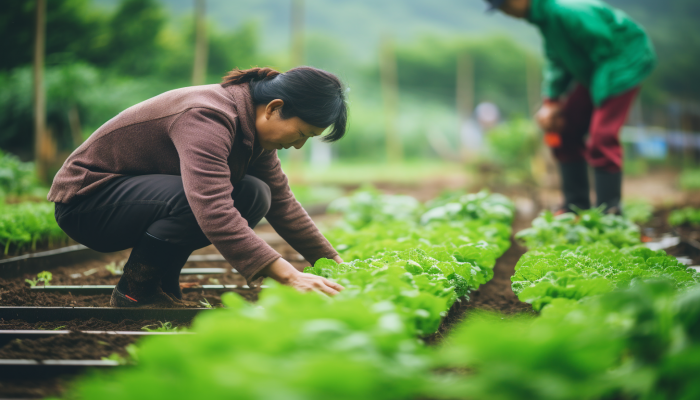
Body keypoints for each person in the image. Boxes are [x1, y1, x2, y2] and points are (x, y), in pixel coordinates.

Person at [48, 67, 347, 308]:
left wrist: (336, 264)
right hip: (88, 203)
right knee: (198, 201)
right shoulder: (207, 116)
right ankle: (135, 293)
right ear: (274, 108)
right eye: (302, 133)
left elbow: (283, 203)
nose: (297, 146)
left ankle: (161, 285)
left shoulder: (254, 133)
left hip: (132, 200)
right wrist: (288, 275)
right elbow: (212, 208)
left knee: (256, 194)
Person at [485, 0, 656, 213]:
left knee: (602, 136)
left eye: (506, 6)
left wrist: (598, 97)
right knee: (563, 129)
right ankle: (575, 207)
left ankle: (609, 211)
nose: (506, 13)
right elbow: (558, 61)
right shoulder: (546, 20)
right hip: (596, 71)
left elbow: (606, 48)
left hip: (623, 63)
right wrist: (552, 102)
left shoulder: (568, 11)